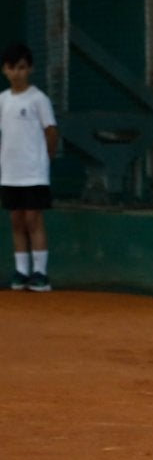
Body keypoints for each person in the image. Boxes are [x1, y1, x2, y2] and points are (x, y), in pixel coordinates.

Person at [1, 42, 60, 292]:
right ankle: (21, 272)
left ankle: (40, 273)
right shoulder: (2, 100)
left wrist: (45, 158)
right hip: (9, 173)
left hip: (34, 172)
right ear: (5, 70)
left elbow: (51, 132)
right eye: (12, 68)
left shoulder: (39, 99)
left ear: (30, 69)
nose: (17, 73)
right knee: (16, 220)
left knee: (33, 218)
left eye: (22, 68)